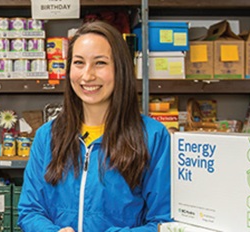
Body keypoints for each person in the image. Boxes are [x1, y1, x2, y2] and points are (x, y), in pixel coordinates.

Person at [17, 21, 172, 232]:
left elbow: (164, 223)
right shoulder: (48, 135)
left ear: (120, 68)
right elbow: (29, 211)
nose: (87, 75)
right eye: (79, 63)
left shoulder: (152, 137)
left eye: (100, 63)